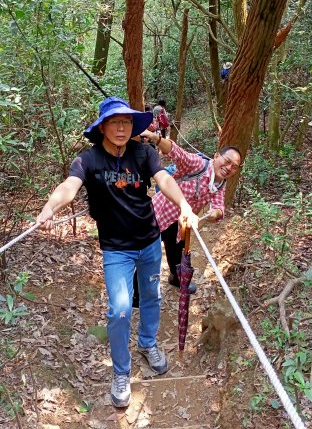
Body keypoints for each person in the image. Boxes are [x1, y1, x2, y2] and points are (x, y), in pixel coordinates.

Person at [36, 97, 198, 409]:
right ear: (102, 127)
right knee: (120, 309)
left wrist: (185, 206)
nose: (121, 127)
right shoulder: (88, 160)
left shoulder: (143, 152)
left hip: (149, 241)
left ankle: (148, 344)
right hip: (116, 249)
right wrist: (48, 209)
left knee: (151, 297)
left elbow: (163, 179)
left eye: (126, 122)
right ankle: (121, 372)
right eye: (114, 122)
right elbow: (69, 187)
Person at [140, 129, 242, 293]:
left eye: (234, 166)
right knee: (145, 251)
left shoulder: (220, 184)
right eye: (227, 161)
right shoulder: (199, 165)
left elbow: (219, 207)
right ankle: (136, 290)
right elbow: (177, 152)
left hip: (182, 221)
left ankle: (176, 278)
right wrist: (155, 138)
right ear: (216, 156)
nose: (229, 167)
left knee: (176, 252)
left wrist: (214, 214)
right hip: (159, 213)